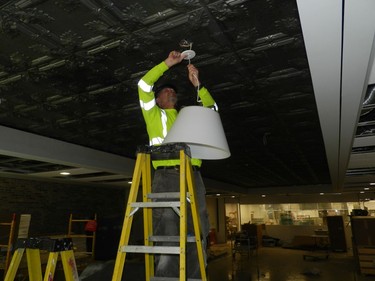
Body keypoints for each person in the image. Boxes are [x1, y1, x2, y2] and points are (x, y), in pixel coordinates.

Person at [138, 50, 218, 278]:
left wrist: (198, 85)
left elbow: (212, 111)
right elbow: (143, 85)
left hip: (193, 175)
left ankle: (195, 275)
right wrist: (168, 63)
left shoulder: (186, 116)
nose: (171, 91)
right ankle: (167, 277)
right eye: (165, 90)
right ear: (157, 100)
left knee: (198, 226)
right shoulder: (154, 116)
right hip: (167, 176)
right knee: (168, 226)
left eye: (173, 90)